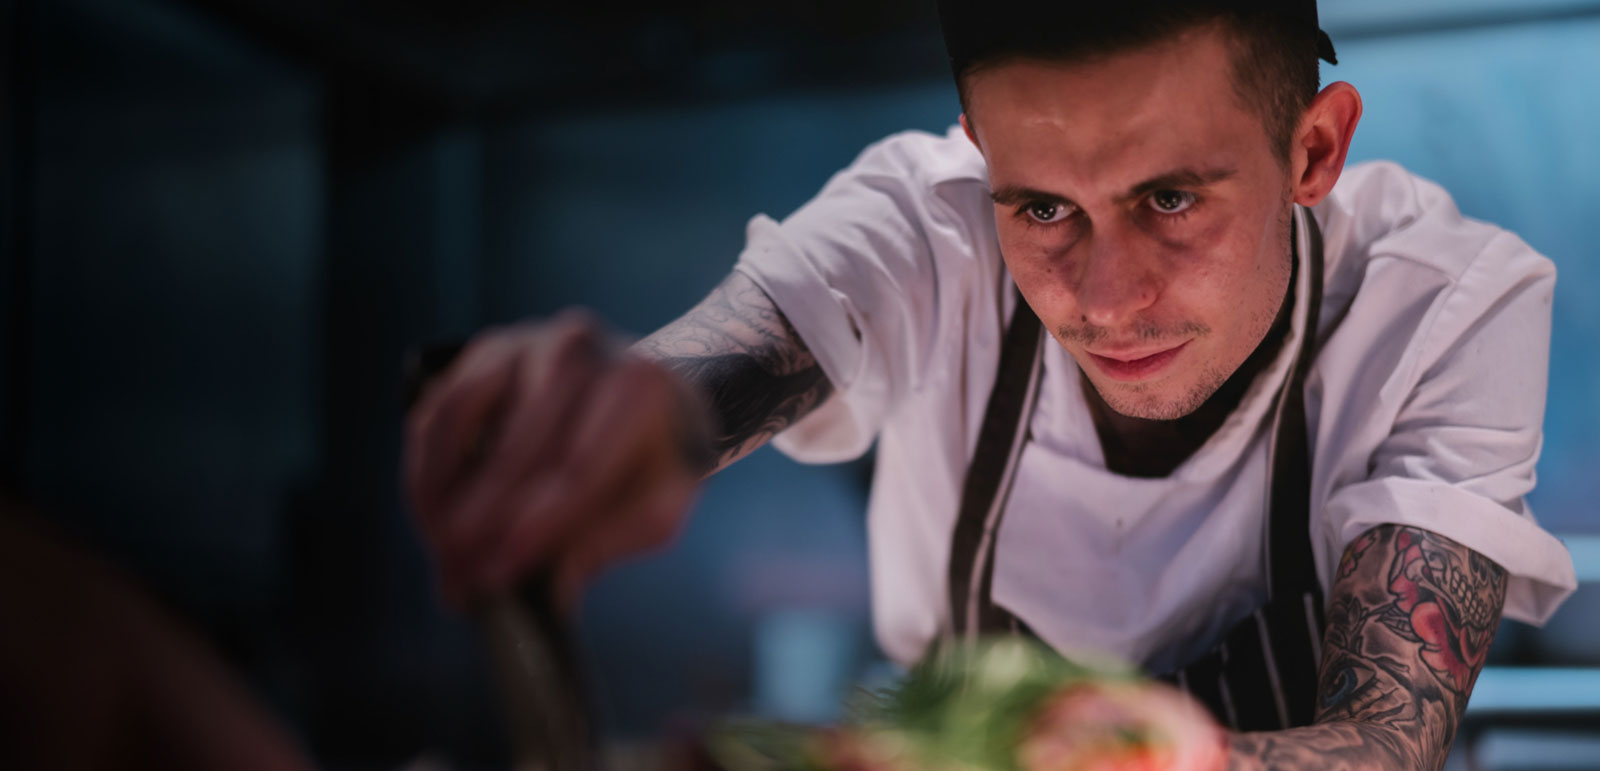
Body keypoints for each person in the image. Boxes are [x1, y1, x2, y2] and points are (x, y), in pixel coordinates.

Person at [404, 1, 1578, 766]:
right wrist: (628, 412)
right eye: (1043, 208)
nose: (1106, 298)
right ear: (979, 153)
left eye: (1171, 200)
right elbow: (723, 358)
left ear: (1312, 150)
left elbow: (1386, 744)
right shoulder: (926, 230)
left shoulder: (1443, 305)